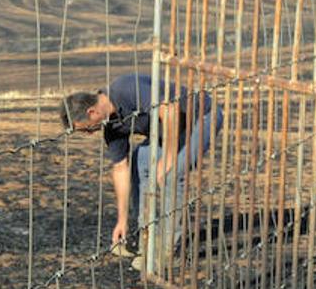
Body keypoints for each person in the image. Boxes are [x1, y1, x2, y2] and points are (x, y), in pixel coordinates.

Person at [60, 73, 223, 264]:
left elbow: (170, 110)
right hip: (170, 131)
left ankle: (170, 252)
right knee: (139, 161)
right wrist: (122, 220)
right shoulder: (111, 127)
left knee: (172, 173)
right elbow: (120, 168)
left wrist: (168, 158)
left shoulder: (125, 87)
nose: (89, 134)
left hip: (200, 117)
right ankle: (147, 237)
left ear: (91, 113)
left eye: (86, 129)